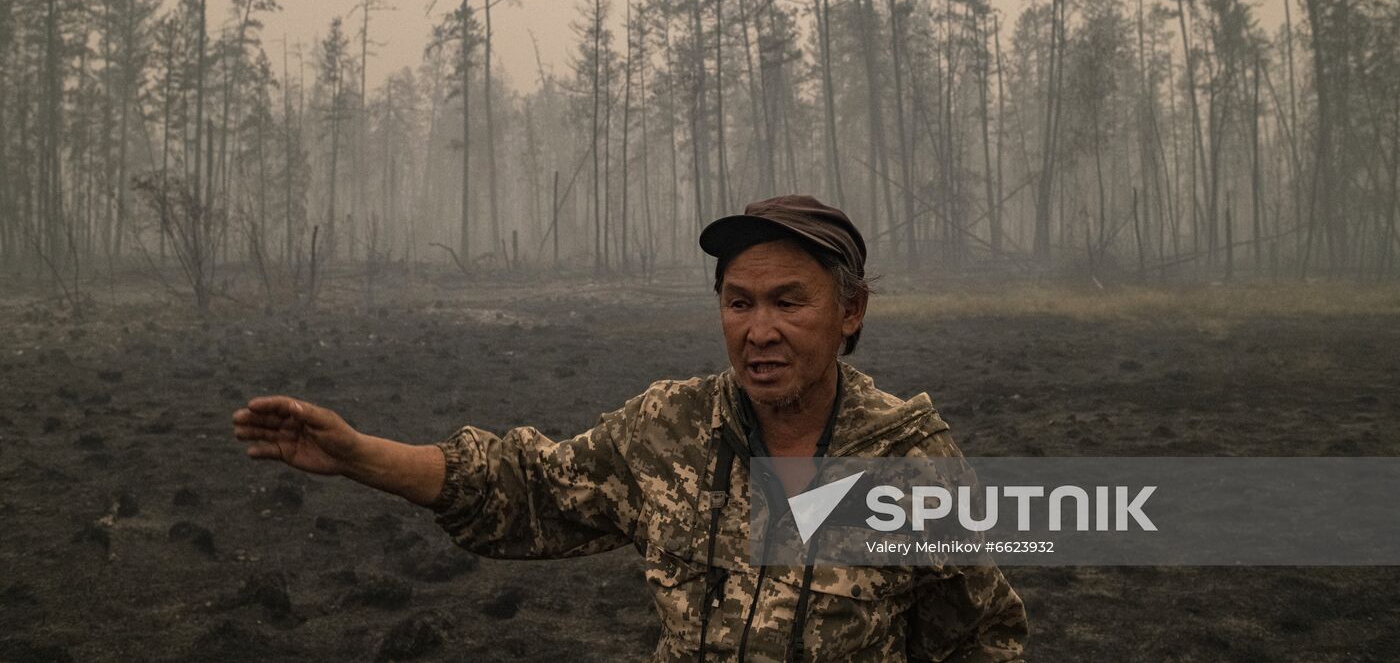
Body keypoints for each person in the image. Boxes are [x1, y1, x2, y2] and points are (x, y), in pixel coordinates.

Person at [232, 195, 1028, 661]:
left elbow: (982, 637)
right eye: (739, 301)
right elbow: (526, 489)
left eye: (790, 301)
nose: (759, 330)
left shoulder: (909, 460)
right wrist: (357, 454)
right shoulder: (670, 429)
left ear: (850, 311)